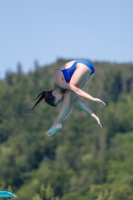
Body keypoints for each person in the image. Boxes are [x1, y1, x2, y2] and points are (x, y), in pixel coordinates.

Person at [31, 59, 106, 136]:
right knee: (71, 97)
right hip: (90, 70)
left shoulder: (58, 82)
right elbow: (80, 103)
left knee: (69, 94)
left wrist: (92, 99)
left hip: (82, 65)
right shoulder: (64, 91)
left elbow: (77, 90)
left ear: (54, 92)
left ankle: (57, 122)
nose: (61, 100)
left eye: (59, 100)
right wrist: (94, 116)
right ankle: (58, 122)